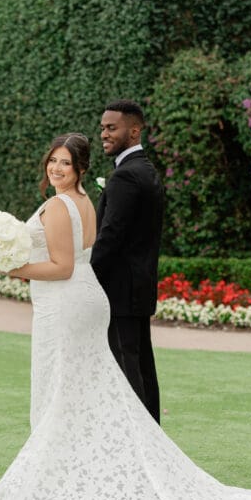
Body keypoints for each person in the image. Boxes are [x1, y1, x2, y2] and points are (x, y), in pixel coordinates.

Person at [0, 131, 251, 500]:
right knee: (84, 390)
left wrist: (11, 268)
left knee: (61, 389)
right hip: (80, 300)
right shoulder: (81, 202)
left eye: (65, 163)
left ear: (80, 168)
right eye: (53, 161)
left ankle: (55, 482)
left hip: (65, 305)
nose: (56, 168)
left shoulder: (61, 206)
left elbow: (61, 267)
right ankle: (74, 471)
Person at [90, 100, 163, 423]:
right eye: (103, 127)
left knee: (127, 370)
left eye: (112, 128)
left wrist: (86, 279)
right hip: (138, 288)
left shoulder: (126, 177)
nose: (104, 133)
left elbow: (110, 238)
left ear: (134, 131)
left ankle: (138, 445)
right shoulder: (145, 170)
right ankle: (153, 442)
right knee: (142, 368)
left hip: (119, 292)